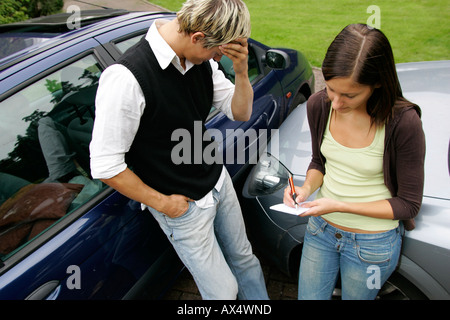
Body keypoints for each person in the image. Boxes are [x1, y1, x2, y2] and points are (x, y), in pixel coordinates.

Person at [89, 0, 268, 300]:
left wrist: (240, 71)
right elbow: (105, 165)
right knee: (224, 292)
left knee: (245, 259)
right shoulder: (126, 79)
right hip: (181, 206)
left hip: (217, 180)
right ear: (197, 37)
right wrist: (163, 203)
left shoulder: (201, 61)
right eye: (215, 51)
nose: (216, 58)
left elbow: (240, 113)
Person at [283, 24, 425, 300]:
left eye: (349, 95)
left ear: (379, 83)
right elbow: (319, 162)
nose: (335, 102)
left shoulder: (404, 123)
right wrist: (305, 189)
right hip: (321, 230)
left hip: (372, 244)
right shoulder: (318, 105)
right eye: (331, 89)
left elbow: (408, 204)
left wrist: (339, 205)